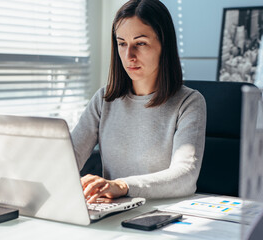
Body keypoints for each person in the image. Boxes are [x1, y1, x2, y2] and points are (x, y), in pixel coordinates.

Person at [71, 0, 207, 203]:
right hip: (111, 211)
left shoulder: (189, 102)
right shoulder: (103, 99)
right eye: (122, 43)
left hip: (161, 215)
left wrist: (122, 186)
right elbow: (68, 158)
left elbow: (185, 176)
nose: (129, 55)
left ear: (164, 45)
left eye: (140, 43)